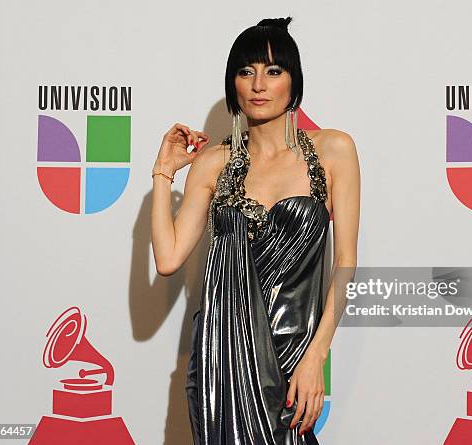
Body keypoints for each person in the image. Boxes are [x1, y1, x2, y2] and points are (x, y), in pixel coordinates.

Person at [151, 16, 360, 445]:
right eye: (246, 72)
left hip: (292, 358)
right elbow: (168, 259)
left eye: (273, 71)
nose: (259, 84)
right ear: (233, 85)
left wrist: (316, 355)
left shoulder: (334, 150)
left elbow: (345, 264)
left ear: (293, 81)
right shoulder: (214, 163)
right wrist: (163, 172)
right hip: (219, 360)